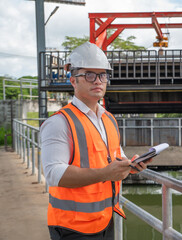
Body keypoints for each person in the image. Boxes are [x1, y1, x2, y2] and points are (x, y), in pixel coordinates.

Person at [40, 42, 150, 240]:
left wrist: (130, 165)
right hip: (72, 227)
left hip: (105, 218)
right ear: (73, 80)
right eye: (89, 75)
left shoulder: (108, 119)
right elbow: (53, 174)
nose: (98, 80)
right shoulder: (59, 123)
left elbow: (116, 157)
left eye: (103, 75)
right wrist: (104, 173)